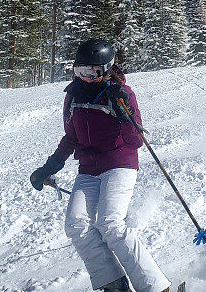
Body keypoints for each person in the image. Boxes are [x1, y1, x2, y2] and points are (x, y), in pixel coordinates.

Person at [30, 39, 172, 292]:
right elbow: (71, 137)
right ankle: (113, 285)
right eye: (80, 71)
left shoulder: (121, 93)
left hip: (119, 162)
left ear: (106, 69)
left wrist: (124, 112)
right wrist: (49, 168)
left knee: (110, 224)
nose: (85, 77)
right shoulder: (72, 95)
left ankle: (155, 287)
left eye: (92, 72)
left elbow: (135, 141)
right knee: (76, 224)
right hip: (88, 167)